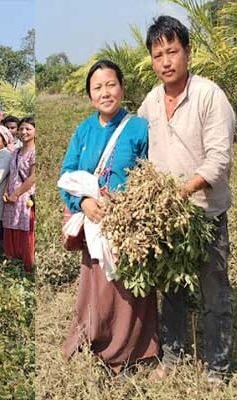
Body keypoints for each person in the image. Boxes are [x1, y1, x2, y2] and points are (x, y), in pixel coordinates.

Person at [137, 16, 235, 382]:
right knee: (173, 290)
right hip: (168, 218)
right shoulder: (150, 100)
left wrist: (182, 190)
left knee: (215, 293)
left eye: (172, 51)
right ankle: (174, 358)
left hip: (204, 213)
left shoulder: (210, 95)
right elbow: (137, 147)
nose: (165, 61)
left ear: (187, 53)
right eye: (158, 54)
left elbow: (219, 158)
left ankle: (218, 369)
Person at [60, 60, 158, 373]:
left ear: (122, 88)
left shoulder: (139, 127)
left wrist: (132, 208)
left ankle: (133, 349)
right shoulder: (84, 130)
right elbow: (66, 174)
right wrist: (83, 202)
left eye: (111, 84)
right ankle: (97, 339)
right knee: (99, 287)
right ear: (90, 96)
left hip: (128, 224)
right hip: (94, 223)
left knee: (130, 290)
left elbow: (151, 173)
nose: (105, 92)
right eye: (97, 88)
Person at [2, 117, 36, 272]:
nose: (23, 132)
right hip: (11, 196)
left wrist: (17, 193)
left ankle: (27, 264)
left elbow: (33, 177)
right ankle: (11, 259)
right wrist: (6, 192)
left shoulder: (35, 152)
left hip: (24, 196)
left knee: (25, 228)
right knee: (10, 226)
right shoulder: (15, 152)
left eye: (28, 129)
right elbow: (11, 173)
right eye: (21, 129)